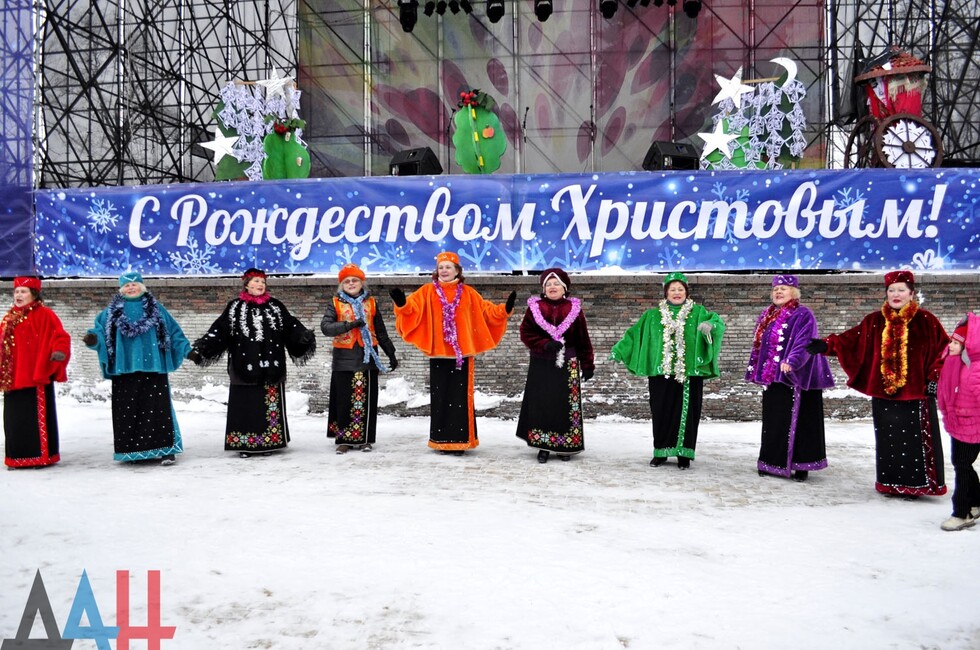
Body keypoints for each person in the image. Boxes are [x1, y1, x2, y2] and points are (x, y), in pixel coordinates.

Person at [806, 270, 947, 497]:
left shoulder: (926, 321)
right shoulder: (874, 321)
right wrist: (827, 345)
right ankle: (890, 484)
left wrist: (935, 378)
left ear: (912, 294)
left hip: (916, 394)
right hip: (883, 395)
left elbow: (944, 352)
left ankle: (919, 486)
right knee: (889, 443)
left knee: (916, 443)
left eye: (901, 290)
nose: (896, 294)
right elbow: (850, 340)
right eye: (891, 290)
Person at [390, 251, 516, 455]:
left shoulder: (468, 293)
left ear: (457, 270)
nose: (444, 270)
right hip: (438, 354)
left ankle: (460, 441)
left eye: (448, 267)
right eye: (441, 267)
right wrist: (402, 304)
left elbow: (486, 311)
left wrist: (504, 309)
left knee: (460, 399)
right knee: (440, 398)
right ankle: (441, 440)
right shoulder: (426, 291)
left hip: (462, 355)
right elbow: (412, 310)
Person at [189, 268, 316, 457]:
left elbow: (290, 326)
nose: (260, 285)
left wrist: (303, 337)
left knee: (268, 405)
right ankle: (244, 445)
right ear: (246, 285)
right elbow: (220, 330)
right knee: (245, 406)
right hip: (243, 366)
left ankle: (269, 443)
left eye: (263, 282)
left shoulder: (275, 306)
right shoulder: (234, 307)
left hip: (271, 366)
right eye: (256, 281)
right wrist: (202, 349)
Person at [610, 272, 725, 469]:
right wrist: (618, 351)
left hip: (689, 374)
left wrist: (710, 325)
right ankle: (660, 452)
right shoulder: (652, 316)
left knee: (687, 413)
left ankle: (684, 455)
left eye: (680, 289)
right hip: (660, 374)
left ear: (686, 292)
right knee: (661, 412)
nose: (677, 293)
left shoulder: (698, 312)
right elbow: (634, 335)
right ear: (666, 293)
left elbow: (718, 323)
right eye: (673, 289)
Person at [83, 271, 191, 465]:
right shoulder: (110, 312)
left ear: (142, 287)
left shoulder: (157, 309)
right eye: (127, 285)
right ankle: (133, 451)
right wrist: (93, 339)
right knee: (128, 412)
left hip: (154, 367)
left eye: (134, 284)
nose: (131, 288)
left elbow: (174, 332)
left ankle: (166, 450)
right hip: (124, 369)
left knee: (158, 410)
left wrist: (187, 351)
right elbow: (99, 331)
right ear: (121, 289)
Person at [745, 275, 835, 481]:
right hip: (774, 377)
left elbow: (805, 340)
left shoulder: (803, 314)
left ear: (794, 292)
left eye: (783, 289)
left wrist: (793, 360)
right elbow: (760, 345)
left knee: (802, 421)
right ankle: (771, 462)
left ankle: (802, 465)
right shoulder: (767, 315)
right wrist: (757, 368)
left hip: (798, 376)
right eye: (775, 289)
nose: (778, 292)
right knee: (774, 420)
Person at [515, 268, 595, 463]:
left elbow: (583, 338)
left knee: (564, 406)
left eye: (556, 283)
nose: (552, 287)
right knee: (542, 405)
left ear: (564, 287)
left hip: (568, 364)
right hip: (541, 363)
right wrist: (544, 344)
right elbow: (526, 333)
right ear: (543, 289)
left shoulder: (574, 309)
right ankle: (543, 446)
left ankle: (565, 446)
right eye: (548, 284)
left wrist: (588, 364)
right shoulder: (535, 308)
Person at [320, 263, 398, 454]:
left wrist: (391, 353)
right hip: (343, 359)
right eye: (347, 281)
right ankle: (344, 440)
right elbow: (326, 328)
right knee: (344, 400)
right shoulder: (335, 303)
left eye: (355, 280)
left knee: (366, 400)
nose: (351, 283)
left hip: (367, 358)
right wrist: (349, 325)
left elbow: (380, 331)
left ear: (362, 283)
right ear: (342, 285)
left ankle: (365, 439)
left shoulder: (371, 303)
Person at [1, 276, 71, 469]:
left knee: (36, 419)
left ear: (34, 294)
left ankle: (41, 457)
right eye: (16, 291)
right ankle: (17, 458)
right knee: (14, 420)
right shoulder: (8, 318)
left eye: (23, 291)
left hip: (36, 375)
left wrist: (59, 351)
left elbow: (60, 336)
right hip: (13, 377)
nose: (18, 295)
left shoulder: (45, 314)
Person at [936, 314, 980, 530]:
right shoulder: (953, 363)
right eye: (951, 341)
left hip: (973, 426)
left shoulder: (975, 369)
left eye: (956, 343)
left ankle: (962, 513)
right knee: (961, 464)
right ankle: (977, 501)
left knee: (962, 466)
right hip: (958, 424)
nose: (951, 345)